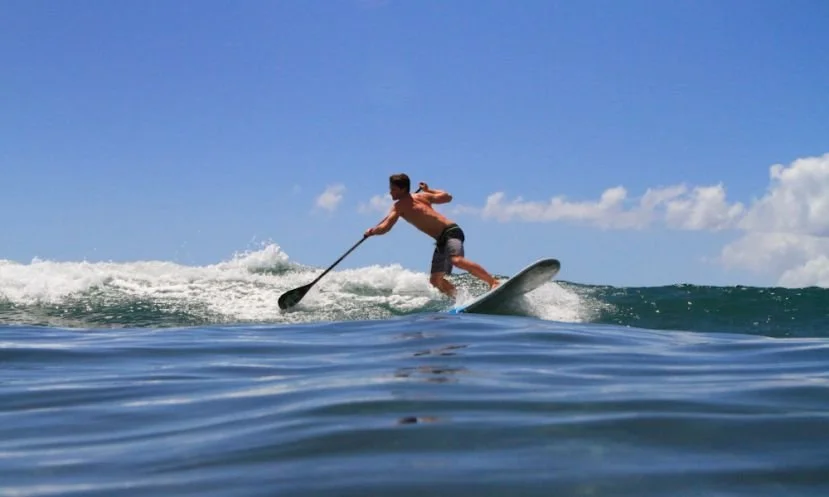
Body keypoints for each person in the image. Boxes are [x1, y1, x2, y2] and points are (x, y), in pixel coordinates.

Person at [364, 173, 499, 298]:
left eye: (393, 189)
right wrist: (374, 231)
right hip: (440, 240)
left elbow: (447, 197)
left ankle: (493, 282)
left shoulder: (420, 197)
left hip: (451, 231)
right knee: (435, 280)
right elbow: (385, 227)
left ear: (402, 189)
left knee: (456, 260)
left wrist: (428, 190)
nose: (390, 192)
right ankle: (461, 299)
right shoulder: (398, 207)